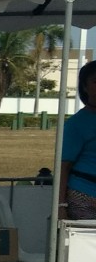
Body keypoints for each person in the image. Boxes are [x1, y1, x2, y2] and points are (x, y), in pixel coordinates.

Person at [57, 60, 96, 221]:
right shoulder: (76, 124)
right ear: (85, 87)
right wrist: (60, 206)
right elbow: (63, 167)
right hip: (84, 196)